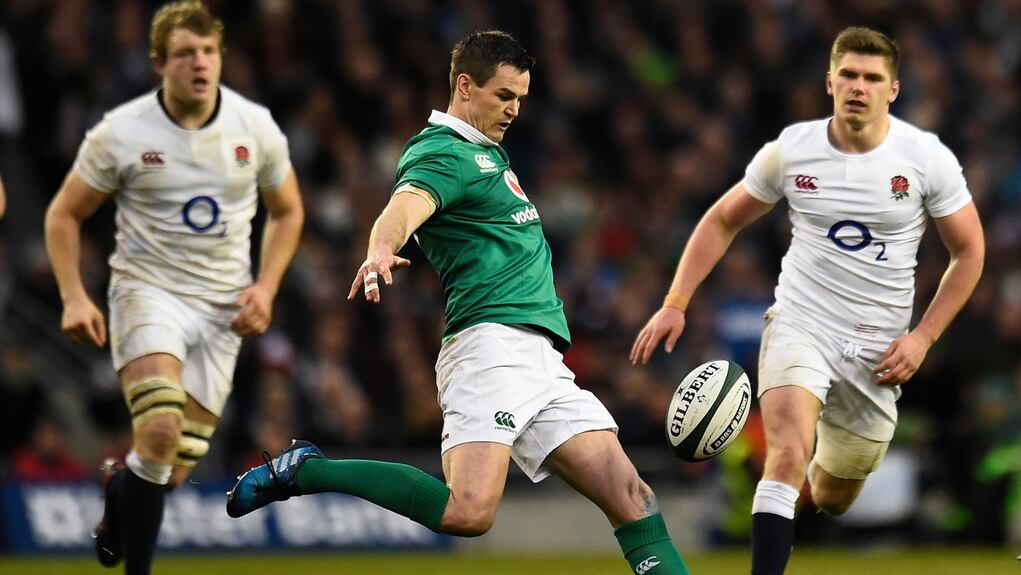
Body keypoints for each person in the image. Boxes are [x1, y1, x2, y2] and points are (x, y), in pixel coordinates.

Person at [227, 30, 690, 575]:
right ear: (465, 86)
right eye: (503, 96)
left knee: (633, 497)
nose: (515, 109)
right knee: (468, 511)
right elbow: (403, 207)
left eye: (520, 97)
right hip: (488, 347)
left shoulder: (483, 154)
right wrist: (379, 250)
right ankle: (306, 471)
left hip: (541, 361)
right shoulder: (442, 152)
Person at [631, 26, 984, 575]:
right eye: (848, 75)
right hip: (803, 323)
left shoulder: (925, 158)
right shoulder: (791, 151)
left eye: (872, 78)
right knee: (786, 455)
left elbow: (969, 252)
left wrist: (923, 337)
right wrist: (675, 301)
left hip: (877, 351)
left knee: (833, 495)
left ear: (893, 90)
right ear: (830, 81)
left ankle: (818, 467)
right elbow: (723, 220)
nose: (858, 87)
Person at [43, 2, 303, 574]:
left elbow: (287, 212)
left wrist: (266, 287)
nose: (199, 63)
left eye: (208, 51)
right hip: (148, 292)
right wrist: (73, 295)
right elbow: (63, 215)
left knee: (169, 469)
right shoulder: (121, 133)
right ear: (159, 62)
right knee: (160, 428)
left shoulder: (254, 126)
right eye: (185, 53)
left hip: (223, 311)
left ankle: (119, 488)